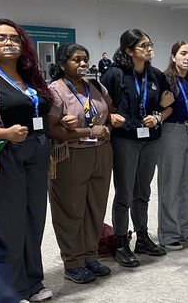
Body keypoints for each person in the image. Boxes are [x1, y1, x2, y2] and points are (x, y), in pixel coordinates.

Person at [0, 18, 55, 302]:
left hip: (37, 149)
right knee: (10, 223)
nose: (9, 43)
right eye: (1, 38)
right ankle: (10, 288)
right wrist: (7, 133)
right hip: (5, 152)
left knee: (34, 219)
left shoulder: (31, 75)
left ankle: (33, 282)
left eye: (14, 38)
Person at [46, 43, 124, 283]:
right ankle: (73, 261)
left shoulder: (95, 86)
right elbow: (52, 129)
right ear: (62, 64)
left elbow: (110, 112)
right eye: (76, 60)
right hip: (71, 154)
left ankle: (91, 255)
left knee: (95, 207)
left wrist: (111, 124)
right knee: (71, 209)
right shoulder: (55, 90)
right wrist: (86, 130)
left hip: (101, 153)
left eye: (85, 59)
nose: (82, 64)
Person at [100, 29, 175, 267]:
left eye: (150, 45)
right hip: (125, 140)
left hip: (151, 139)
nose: (149, 49)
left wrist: (159, 117)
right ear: (129, 50)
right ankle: (121, 241)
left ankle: (142, 236)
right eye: (143, 46)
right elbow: (101, 106)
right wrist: (111, 117)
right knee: (125, 194)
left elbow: (169, 105)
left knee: (143, 191)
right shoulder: (115, 74)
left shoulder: (155, 75)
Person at [157, 41, 188, 250]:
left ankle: (187, 229)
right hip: (171, 131)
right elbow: (157, 106)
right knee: (171, 183)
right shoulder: (165, 80)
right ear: (173, 56)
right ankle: (169, 234)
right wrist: (160, 106)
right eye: (183, 53)